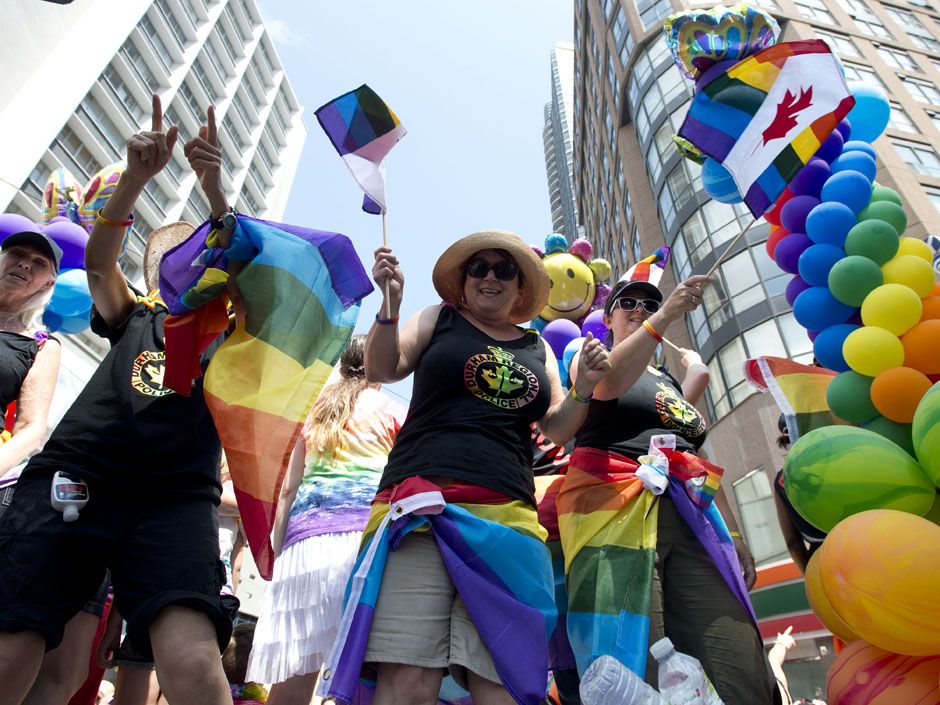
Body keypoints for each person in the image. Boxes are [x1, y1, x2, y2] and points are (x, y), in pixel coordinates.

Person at [0, 95, 237, 704]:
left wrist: (214, 191)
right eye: (171, 258)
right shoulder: (133, 312)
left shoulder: (239, 335)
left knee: (192, 658)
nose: (188, 264)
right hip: (79, 475)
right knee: (15, 634)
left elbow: (245, 260)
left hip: (178, 497)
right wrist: (135, 177)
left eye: (203, 253)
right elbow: (101, 261)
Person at [317, 232, 610, 705]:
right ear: (464, 279)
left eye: (504, 269)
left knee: (503, 686)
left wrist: (585, 388)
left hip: (509, 526)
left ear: (520, 288)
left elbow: (556, 428)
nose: (490, 277)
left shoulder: (537, 349)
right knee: (409, 682)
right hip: (421, 513)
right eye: (479, 268)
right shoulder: (439, 319)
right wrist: (389, 308)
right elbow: (381, 368)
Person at [560, 256, 774, 705]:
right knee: (637, 664)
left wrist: (732, 533)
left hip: (689, 514)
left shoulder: (668, 383)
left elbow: (694, 456)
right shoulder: (590, 353)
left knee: (738, 661)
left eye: (648, 302)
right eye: (628, 303)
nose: (639, 307)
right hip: (615, 512)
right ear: (608, 316)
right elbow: (606, 383)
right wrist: (666, 313)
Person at [247, 334, 406, 705]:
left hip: (303, 545)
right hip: (360, 539)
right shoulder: (393, 412)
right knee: (357, 662)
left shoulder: (314, 410)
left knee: (295, 669)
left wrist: (278, 549)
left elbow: (288, 488)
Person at [772, 416, 825, 574]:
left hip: (821, 560)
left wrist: (808, 575)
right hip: (859, 542)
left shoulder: (783, 481)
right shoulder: (833, 461)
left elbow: (792, 541)